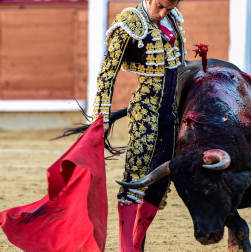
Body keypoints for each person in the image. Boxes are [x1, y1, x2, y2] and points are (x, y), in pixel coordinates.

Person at [92, 0, 186, 251]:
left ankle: (136, 242)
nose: (163, 13)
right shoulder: (129, 22)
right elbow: (107, 74)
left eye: (170, 7)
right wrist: (101, 116)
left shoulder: (173, 18)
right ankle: (127, 249)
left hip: (170, 114)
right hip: (145, 111)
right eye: (161, 6)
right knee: (134, 180)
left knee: (162, 179)